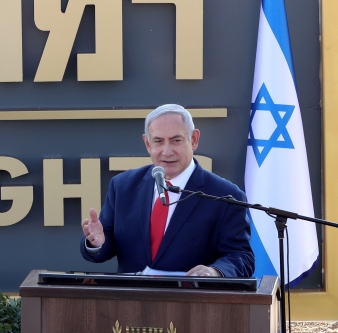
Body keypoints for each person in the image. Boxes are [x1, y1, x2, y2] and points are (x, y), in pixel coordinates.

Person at [80, 104, 255, 277]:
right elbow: (106, 245)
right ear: (148, 144)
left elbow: (240, 256)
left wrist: (215, 271)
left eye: (176, 140)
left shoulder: (225, 196)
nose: (167, 151)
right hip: (131, 301)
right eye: (158, 141)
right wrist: (97, 243)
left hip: (192, 301)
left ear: (194, 140)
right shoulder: (123, 186)